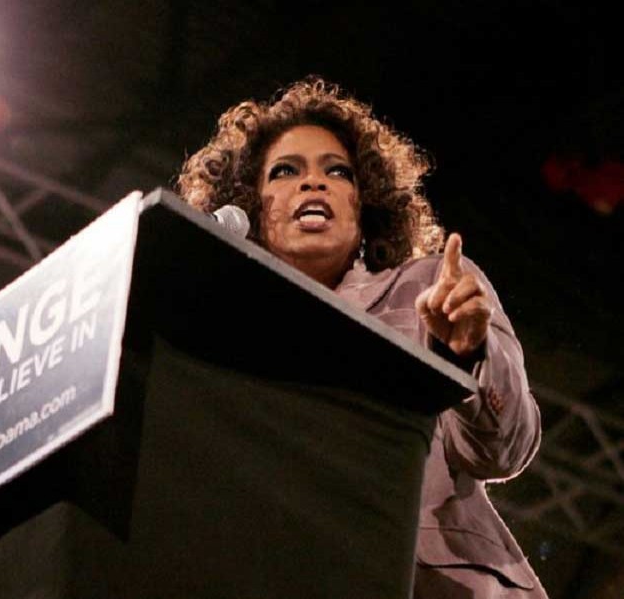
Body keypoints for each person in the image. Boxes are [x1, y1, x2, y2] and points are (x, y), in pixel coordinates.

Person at [176, 77, 548, 598]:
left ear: (364, 203)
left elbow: (505, 451)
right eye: (286, 171)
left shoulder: (426, 288)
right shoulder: (220, 340)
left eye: (337, 171)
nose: (314, 183)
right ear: (249, 205)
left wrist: (466, 356)